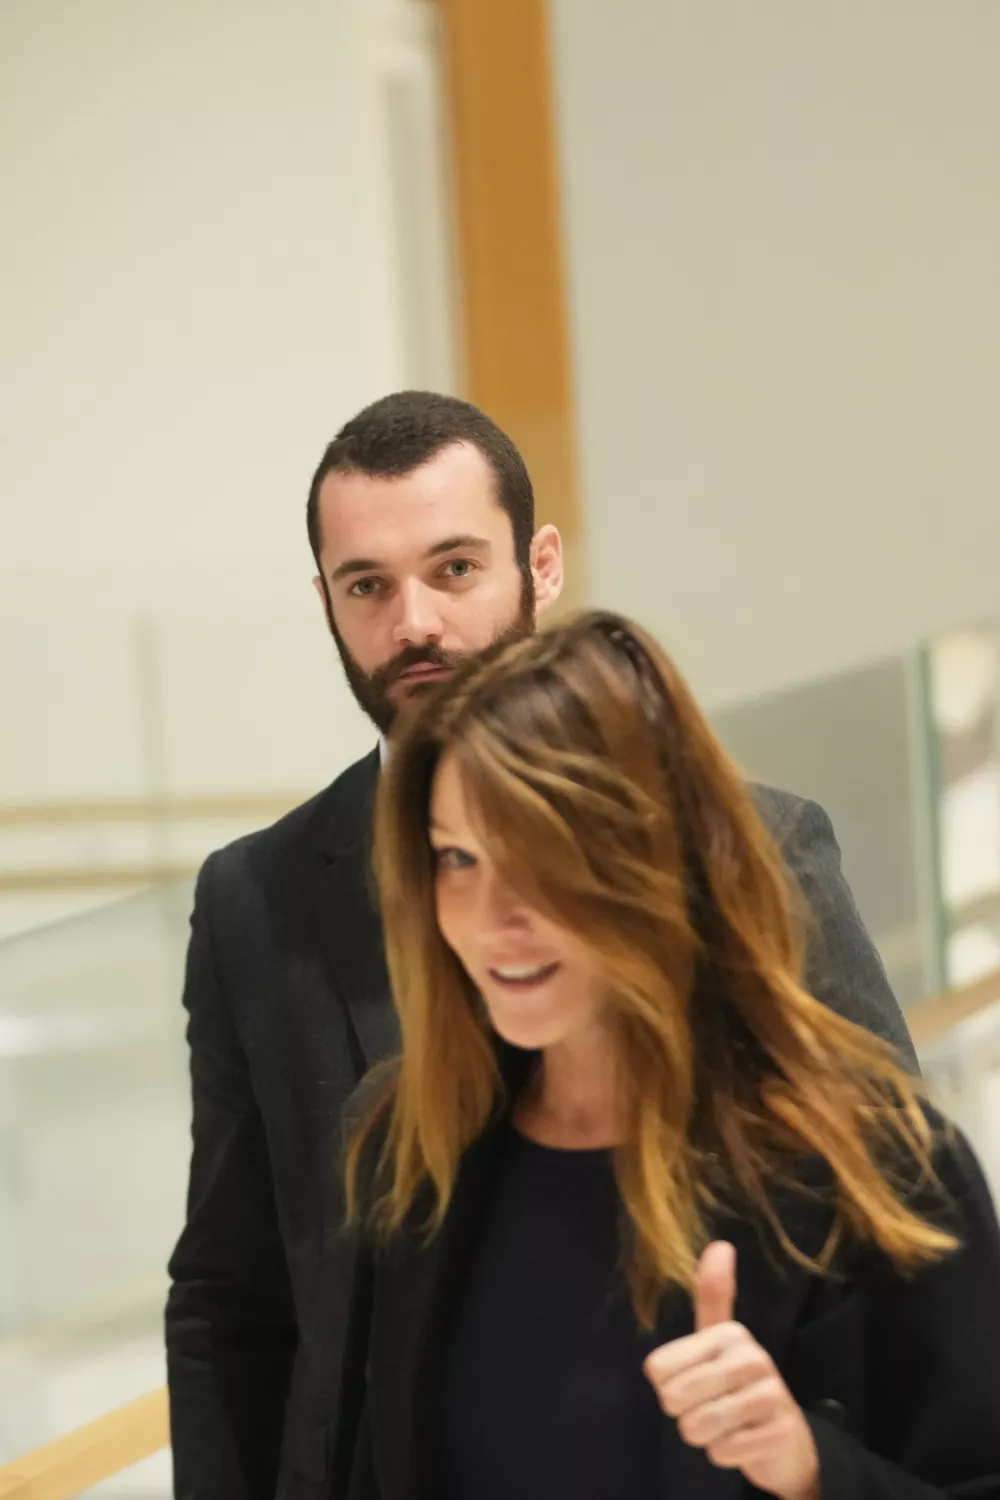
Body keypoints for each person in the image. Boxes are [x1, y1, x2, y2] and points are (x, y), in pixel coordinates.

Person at [165, 392, 917, 1500]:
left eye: (455, 568)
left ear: (541, 564)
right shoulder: (253, 897)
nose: (412, 622)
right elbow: (233, 1299)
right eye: (366, 585)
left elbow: (892, 1221)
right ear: (325, 600)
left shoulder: (751, 849)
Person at [330, 610, 1000, 1499]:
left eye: (540, 856)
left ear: (651, 856)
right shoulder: (412, 1153)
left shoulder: (880, 1168)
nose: (492, 919)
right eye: (457, 858)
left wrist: (810, 1469)